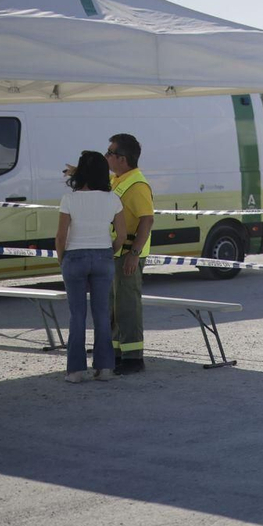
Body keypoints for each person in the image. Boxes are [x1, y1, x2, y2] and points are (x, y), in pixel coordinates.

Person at [57, 151, 126, 383]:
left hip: (74, 256)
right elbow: (122, 235)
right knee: (101, 314)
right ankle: (105, 368)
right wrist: (109, 252)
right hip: (103, 256)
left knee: (77, 315)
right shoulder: (113, 198)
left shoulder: (69, 199)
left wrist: (62, 259)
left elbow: (60, 235)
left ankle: (76, 371)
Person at [107, 133, 154, 374]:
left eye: (110, 153)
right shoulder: (119, 179)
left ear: (122, 159)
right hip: (118, 253)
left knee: (127, 307)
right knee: (115, 307)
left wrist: (134, 254)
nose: (107, 156)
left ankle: (134, 359)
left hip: (128, 255)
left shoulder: (136, 185)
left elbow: (147, 220)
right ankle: (118, 353)